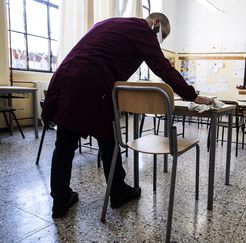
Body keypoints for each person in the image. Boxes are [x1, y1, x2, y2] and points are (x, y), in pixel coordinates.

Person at [42, 12, 213, 218]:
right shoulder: (144, 30)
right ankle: (118, 191)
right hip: (95, 84)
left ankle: (60, 202)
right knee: (108, 140)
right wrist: (192, 96)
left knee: (64, 143)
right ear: (156, 23)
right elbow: (162, 68)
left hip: (67, 78)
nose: (160, 40)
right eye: (163, 35)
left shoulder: (110, 22)